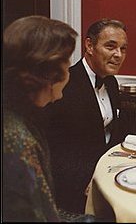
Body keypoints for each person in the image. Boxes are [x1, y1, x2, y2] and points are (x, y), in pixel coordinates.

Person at [44, 18, 128, 214]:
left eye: (123, 49)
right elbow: (55, 149)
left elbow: (112, 136)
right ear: (89, 45)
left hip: (107, 176)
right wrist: (89, 178)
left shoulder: (112, 84)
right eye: (111, 46)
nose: (118, 55)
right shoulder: (64, 84)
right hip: (73, 189)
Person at [3, 16, 78, 221]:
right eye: (67, 61)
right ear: (49, 72)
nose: (70, 69)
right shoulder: (17, 138)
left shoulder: (22, 116)